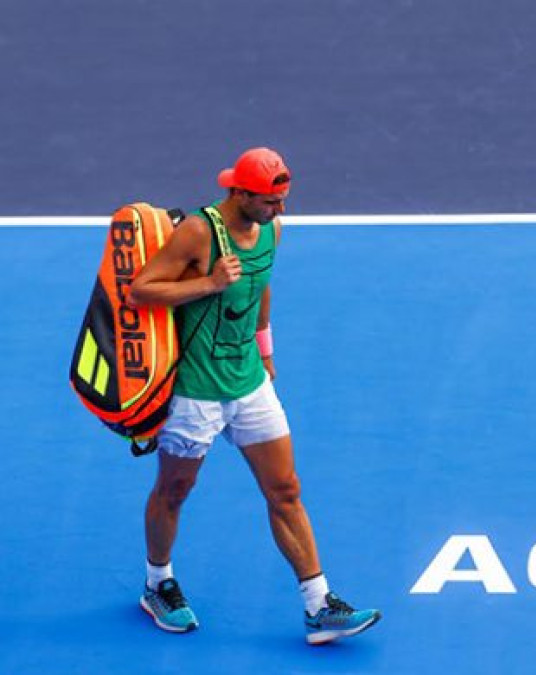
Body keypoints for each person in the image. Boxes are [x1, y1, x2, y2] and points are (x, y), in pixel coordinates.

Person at [128, 147, 380, 645]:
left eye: (283, 199)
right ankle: (158, 583)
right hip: (194, 394)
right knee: (174, 492)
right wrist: (208, 282)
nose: (280, 210)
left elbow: (261, 284)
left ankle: (318, 605)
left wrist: (265, 350)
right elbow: (143, 289)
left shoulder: (272, 229)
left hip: (249, 386)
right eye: (270, 201)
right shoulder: (199, 231)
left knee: (285, 490)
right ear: (239, 193)